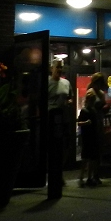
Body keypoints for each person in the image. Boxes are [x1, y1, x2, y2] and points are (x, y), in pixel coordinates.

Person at [47, 60, 71, 195]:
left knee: (65, 147)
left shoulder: (66, 83)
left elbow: (70, 97)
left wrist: (69, 101)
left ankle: (59, 171)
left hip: (64, 119)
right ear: (52, 68)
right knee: (53, 147)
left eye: (61, 67)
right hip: (51, 120)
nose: (59, 70)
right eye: (57, 67)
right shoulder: (48, 83)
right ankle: (54, 174)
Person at [77, 89, 101, 186]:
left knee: (89, 158)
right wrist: (86, 123)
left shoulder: (91, 110)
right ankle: (84, 177)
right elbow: (79, 122)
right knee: (87, 158)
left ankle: (87, 177)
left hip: (90, 136)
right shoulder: (85, 110)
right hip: (88, 137)